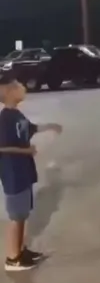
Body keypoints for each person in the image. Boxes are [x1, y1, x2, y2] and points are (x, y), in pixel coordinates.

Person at [0, 77, 62, 271]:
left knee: (22, 215)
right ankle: (13, 259)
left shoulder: (16, 114)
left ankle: (21, 250)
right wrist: (25, 151)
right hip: (13, 173)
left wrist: (49, 126)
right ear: (8, 91)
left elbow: (30, 128)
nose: (23, 88)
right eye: (18, 86)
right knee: (16, 218)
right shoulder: (5, 118)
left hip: (23, 171)